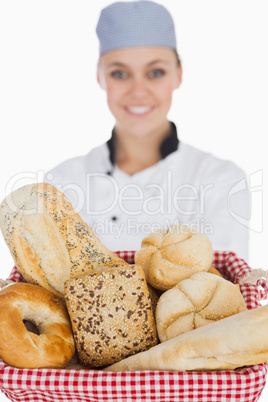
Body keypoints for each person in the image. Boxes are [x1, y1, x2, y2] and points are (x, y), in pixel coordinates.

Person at [44, 0, 250, 260]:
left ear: (178, 74)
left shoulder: (221, 181)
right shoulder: (62, 183)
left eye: (155, 72)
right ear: (100, 76)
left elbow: (226, 289)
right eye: (120, 73)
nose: (138, 91)